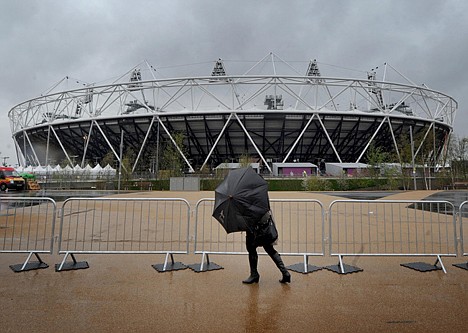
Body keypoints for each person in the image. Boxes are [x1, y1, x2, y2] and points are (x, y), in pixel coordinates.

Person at [242, 212, 291, 284]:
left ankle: (254, 274)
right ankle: (285, 272)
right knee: (270, 249)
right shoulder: (262, 202)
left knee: (252, 250)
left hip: (254, 228)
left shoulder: (248, 202)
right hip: (264, 227)